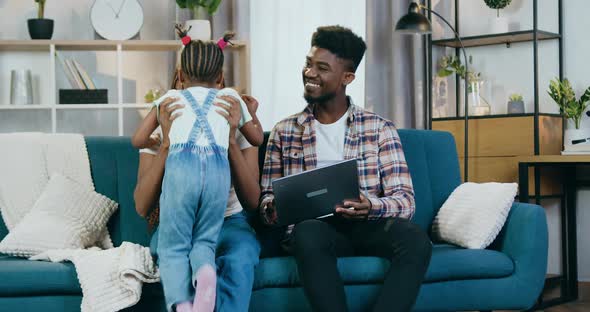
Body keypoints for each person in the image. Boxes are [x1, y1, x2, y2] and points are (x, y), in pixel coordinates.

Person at [259, 25, 432, 312]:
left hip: (368, 227)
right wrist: (272, 209)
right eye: (308, 64)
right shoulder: (284, 130)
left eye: (322, 68)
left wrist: (371, 206)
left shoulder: (379, 128)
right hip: (316, 231)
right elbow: (267, 197)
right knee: (307, 233)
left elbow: (406, 201)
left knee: (415, 240)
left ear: (347, 77)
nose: (310, 73)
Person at [132, 25, 263, 312]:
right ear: (219, 77)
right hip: (182, 222)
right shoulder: (168, 117)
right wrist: (165, 144)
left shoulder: (224, 113)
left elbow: (252, 201)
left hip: (230, 223)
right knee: (190, 250)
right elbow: (142, 206)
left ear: (181, 76)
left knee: (237, 258)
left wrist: (229, 140)